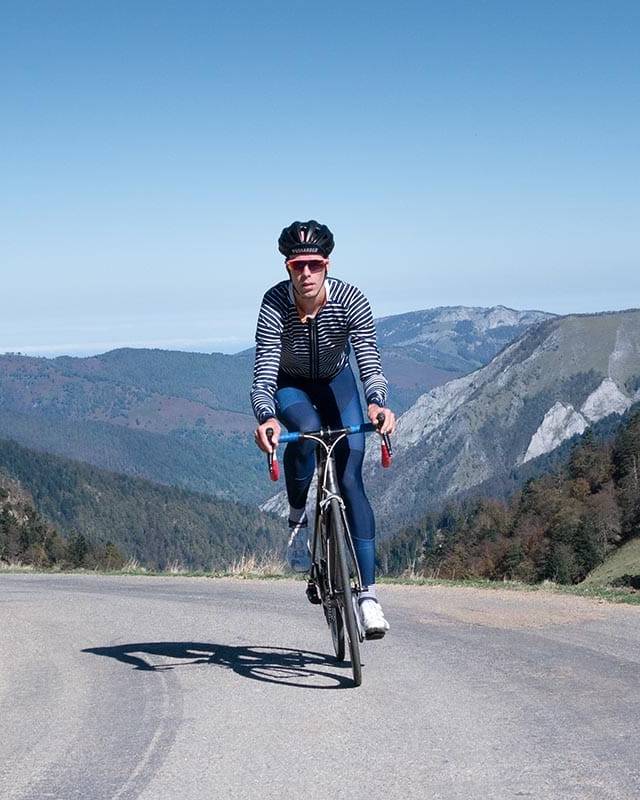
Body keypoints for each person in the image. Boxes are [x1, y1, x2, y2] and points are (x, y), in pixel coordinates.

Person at [251, 220, 396, 638]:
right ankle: (298, 518)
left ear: (327, 265)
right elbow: (264, 370)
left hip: (337, 381)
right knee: (307, 430)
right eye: (297, 266)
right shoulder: (274, 303)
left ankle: (368, 597)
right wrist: (267, 416)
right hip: (291, 385)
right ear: (287, 267)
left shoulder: (351, 300)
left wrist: (377, 402)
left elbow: (368, 358)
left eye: (314, 264)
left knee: (350, 480)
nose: (306, 273)